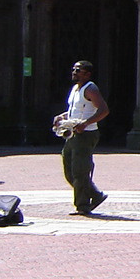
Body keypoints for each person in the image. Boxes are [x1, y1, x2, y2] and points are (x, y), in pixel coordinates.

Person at [53, 60, 109, 215]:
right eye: (73, 70)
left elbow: (104, 110)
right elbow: (75, 110)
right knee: (69, 170)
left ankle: (82, 205)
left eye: (78, 70)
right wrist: (62, 116)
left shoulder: (91, 89)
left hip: (85, 134)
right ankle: (96, 195)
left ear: (87, 74)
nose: (74, 72)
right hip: (72, 133)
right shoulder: (75, 89)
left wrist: (86, 123)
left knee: (80, 170)